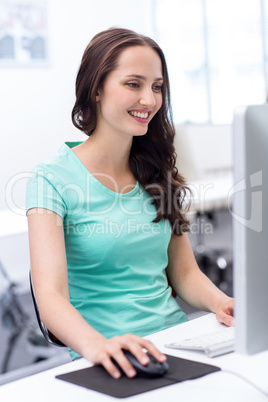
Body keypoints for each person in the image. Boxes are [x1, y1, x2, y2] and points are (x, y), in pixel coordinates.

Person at [26, 27, 234, 379]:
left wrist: (222, 303)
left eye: (156, 87)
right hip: (109, 355)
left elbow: (183, 273)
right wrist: (96, 346)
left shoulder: (154, 170)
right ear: (96, 88)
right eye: (133, 84)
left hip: (175, 342)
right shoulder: (50, 180)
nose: (150, 101)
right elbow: (51, 298)